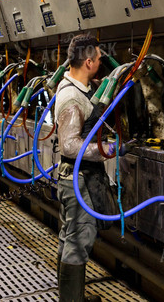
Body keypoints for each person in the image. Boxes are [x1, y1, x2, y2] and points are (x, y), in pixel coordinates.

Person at [56, 34, 127, 302]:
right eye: (98, 58)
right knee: (78, 242)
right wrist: (110, 150)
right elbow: (70, 147)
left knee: (69, 240)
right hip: (78, 180)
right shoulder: (73, 99)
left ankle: (71, 298)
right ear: (88, 61)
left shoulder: (78, 86)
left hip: (74, 178)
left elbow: (101, 91)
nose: (100, 62)